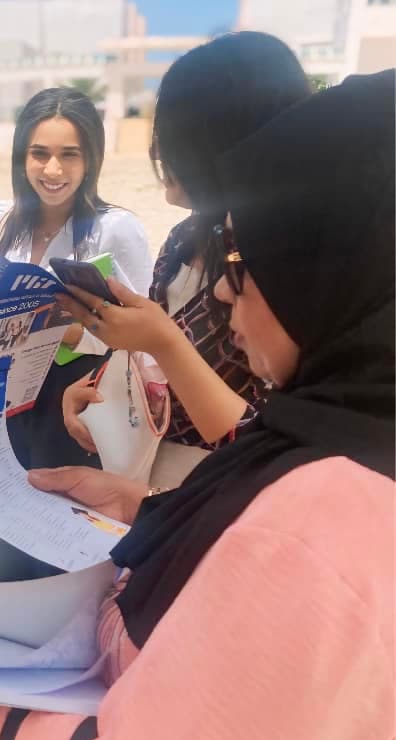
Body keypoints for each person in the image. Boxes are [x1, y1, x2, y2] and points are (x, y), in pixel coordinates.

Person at [0, 69, 395, 740]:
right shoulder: (348, 436)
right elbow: (256, 487)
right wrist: (150, 507)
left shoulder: (321, 542)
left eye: (249, 260)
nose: (227, 290)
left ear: (340, 267)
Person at [61, 32, 312, 491]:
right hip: (144, 486)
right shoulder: (181, 241)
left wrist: (165, 343)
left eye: (173, 137)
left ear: (219, 145)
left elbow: (269, 433)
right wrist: (99, 388)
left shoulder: (285, 263)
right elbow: (145, 364)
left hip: (223, 498)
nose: (158, 154)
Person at [0, 87, 155, 582]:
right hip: (8, 403)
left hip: (80, 405)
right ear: (22, 156)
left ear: (92, 161)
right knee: (10, 545)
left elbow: (147, 332)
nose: (53, 170)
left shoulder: (114, 229)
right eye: (39, 154)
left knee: (75, 551)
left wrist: (68, 333)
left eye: (70, 155)